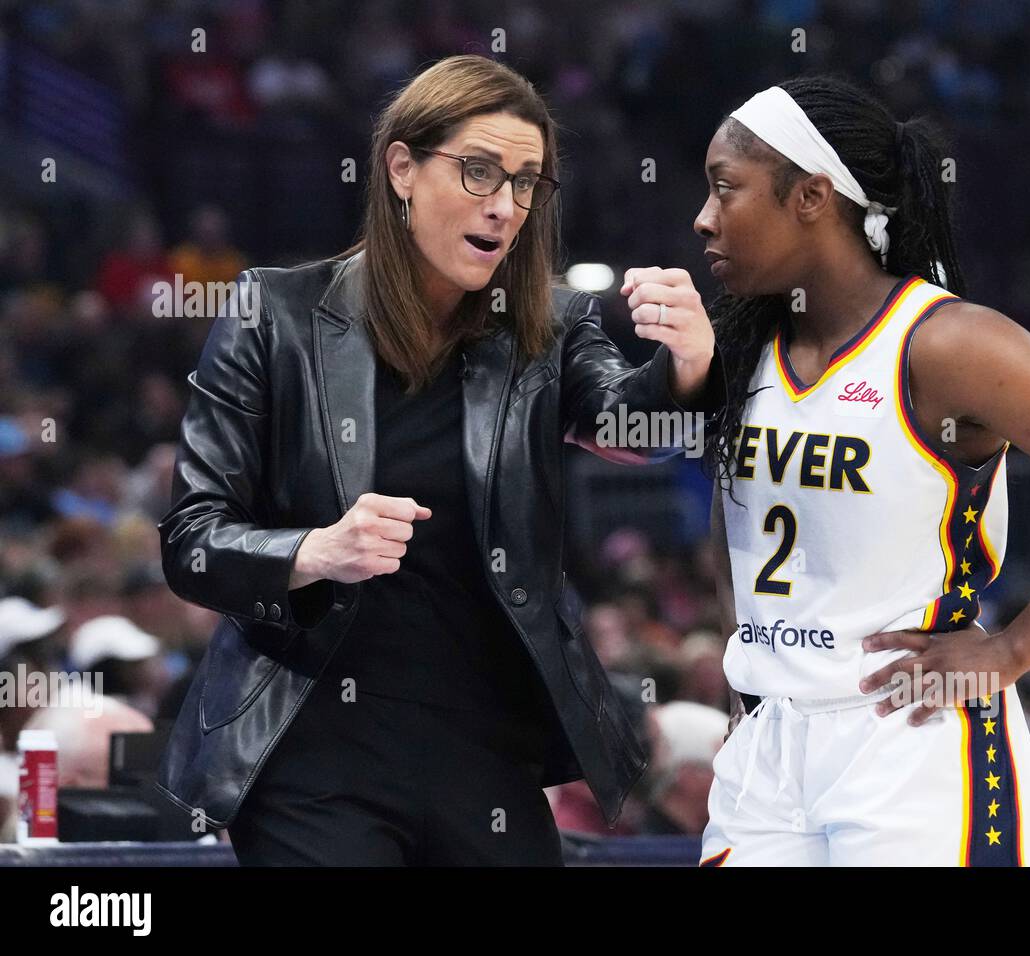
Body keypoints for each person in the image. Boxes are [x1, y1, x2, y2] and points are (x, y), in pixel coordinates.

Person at [155, 55, 725, 866]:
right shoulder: (271, 315)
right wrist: (315, 551)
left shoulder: (548, 330)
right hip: (312, 753)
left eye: (527, 182)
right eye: (479, 172)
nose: (505, 205)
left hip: (485, 754)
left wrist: (688, 367)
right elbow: (192, 541)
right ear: (401, 169)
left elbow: (629, 430)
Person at [694, 77, 1030, 866]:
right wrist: (752, 661)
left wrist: (1013, 651)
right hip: (767, 744)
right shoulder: (745, 350)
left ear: (812, 197)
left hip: (910, 741)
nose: (704, 218)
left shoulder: (947, 343)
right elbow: (739, 538)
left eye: (727, 189)